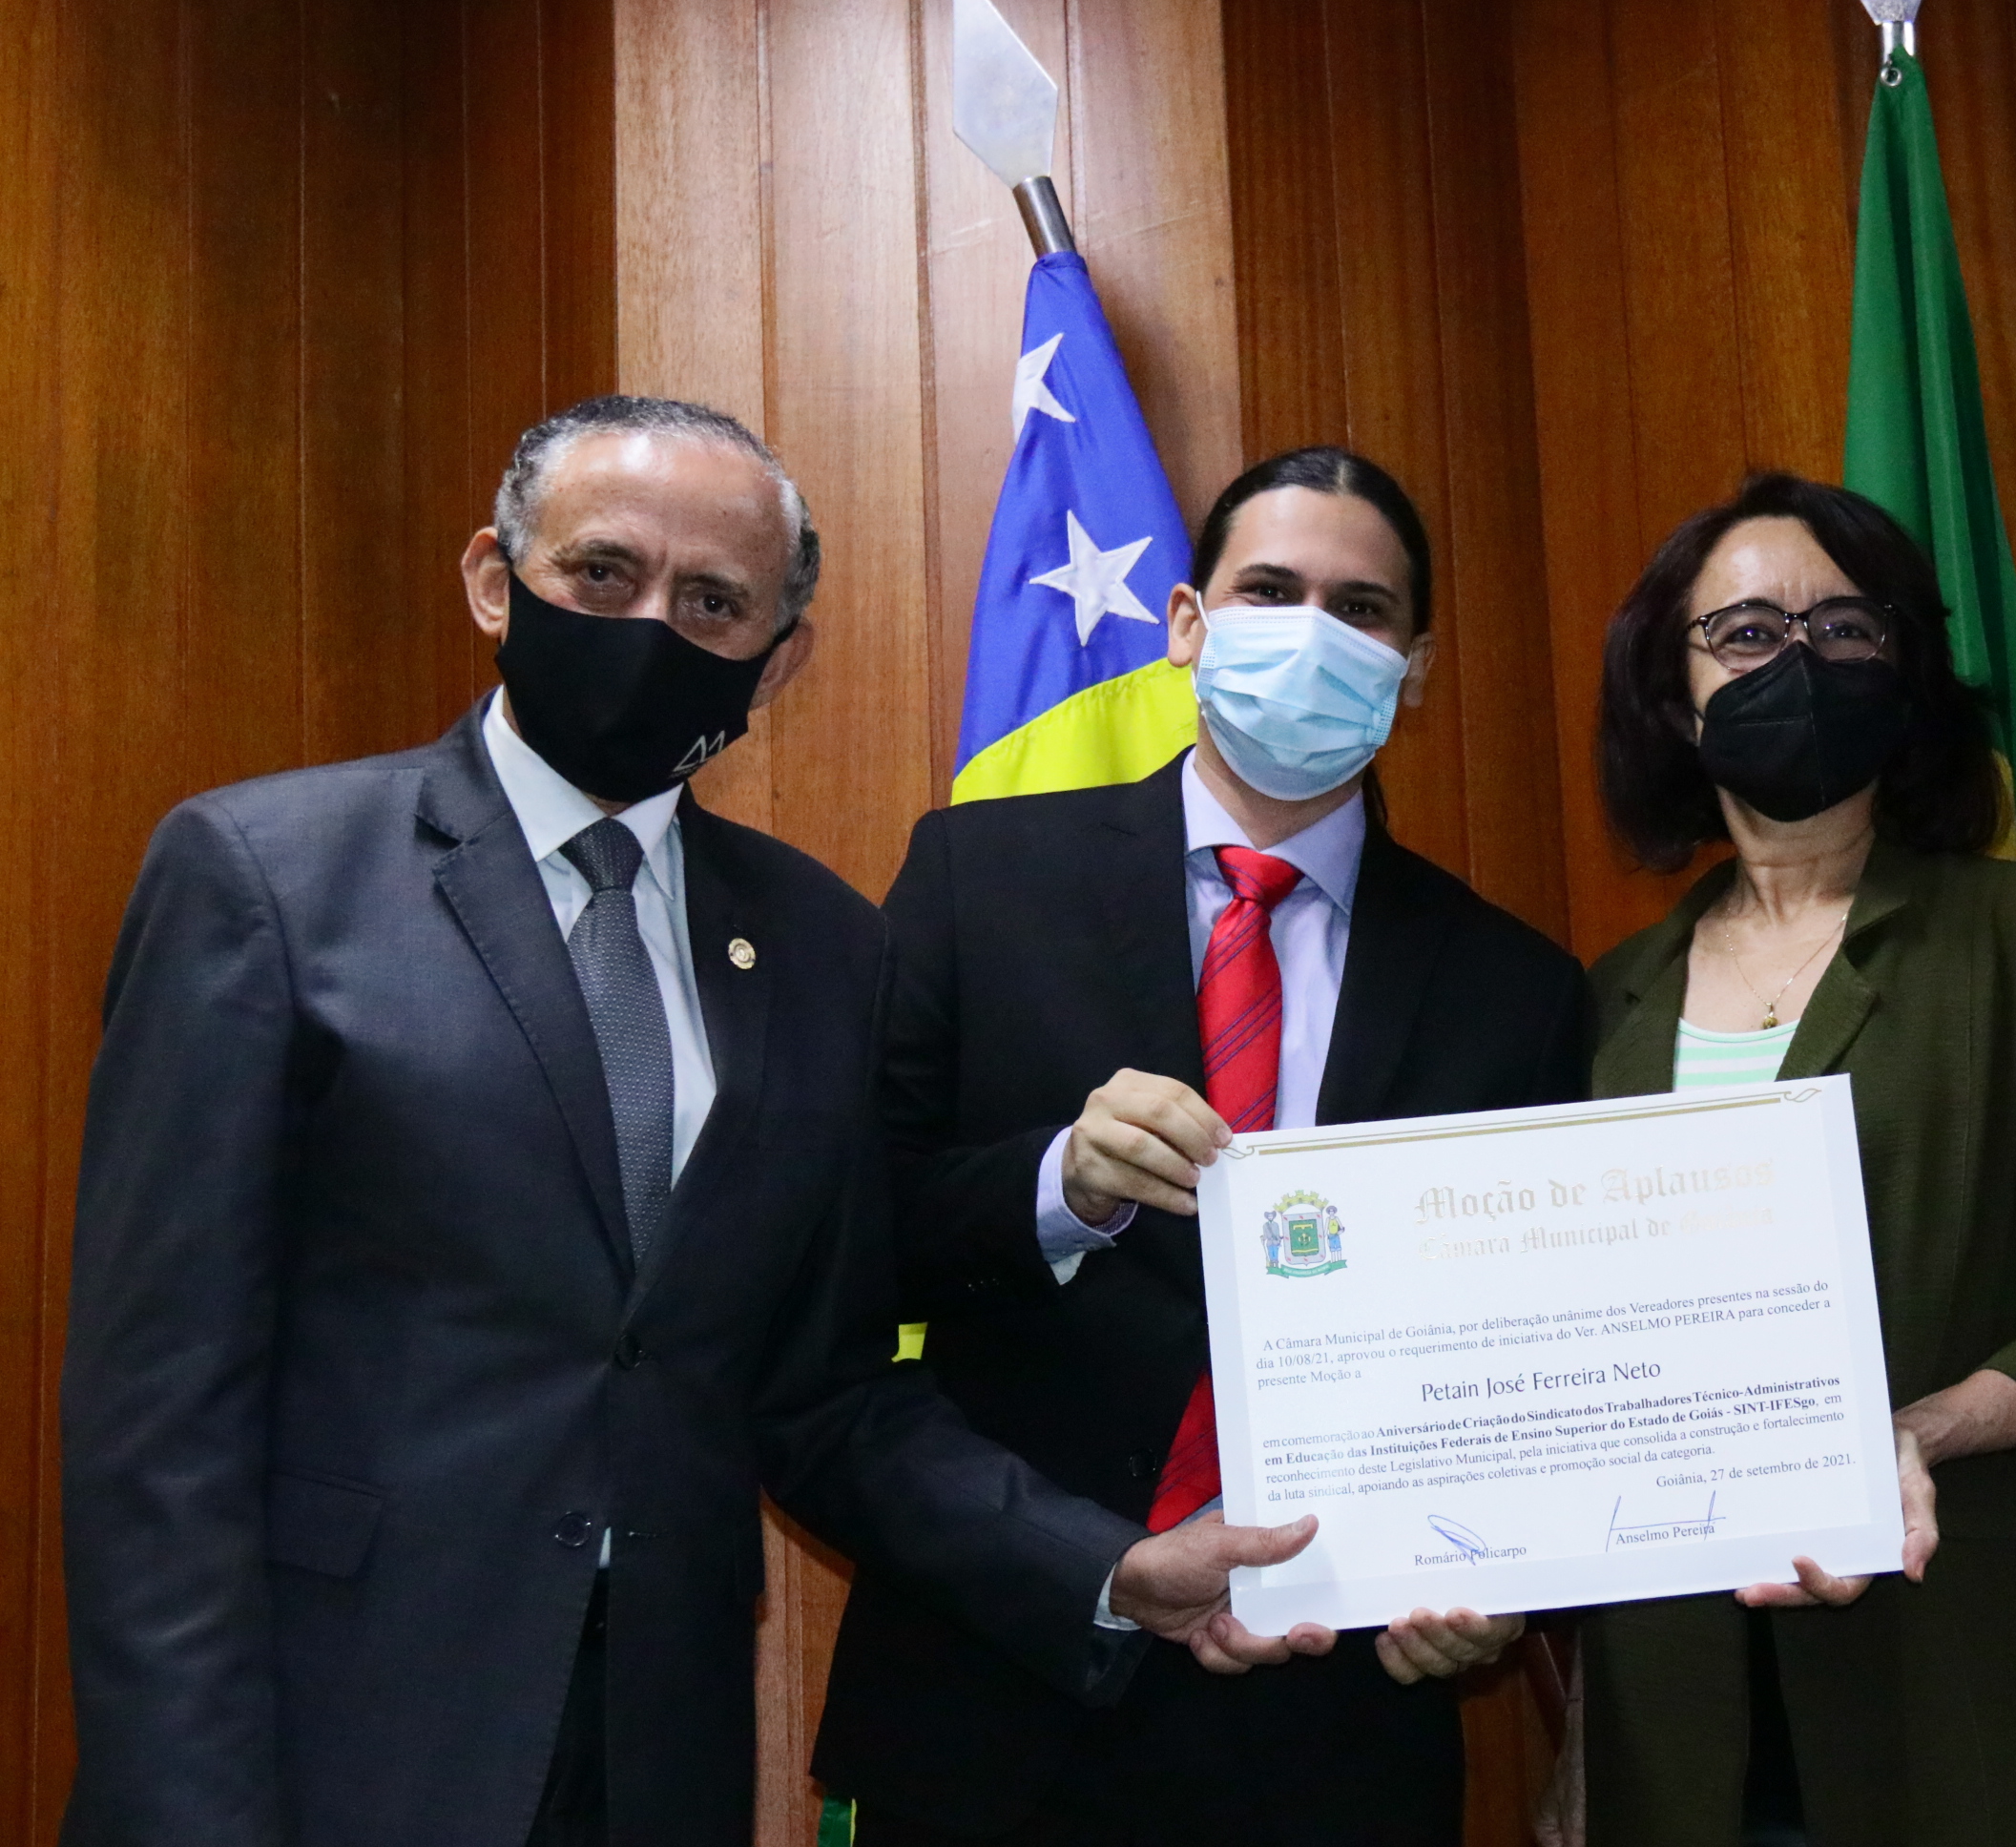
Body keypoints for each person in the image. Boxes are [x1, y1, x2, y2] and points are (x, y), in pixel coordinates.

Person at [58, 396, 1307, 1847]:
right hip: (326, 1736)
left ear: (780, 660)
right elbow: (159, 1417)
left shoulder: (824, 945)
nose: (652, 625)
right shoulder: (265, 878)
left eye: (713, 602)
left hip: (657, 1750)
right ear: (494, 581)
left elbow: (822, 1392)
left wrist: (1106, 1570)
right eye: (602, 573)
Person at [810, 446, 1592, 1845]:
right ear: (1186, 622)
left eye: (1361, 610)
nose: (1310, 634)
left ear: (1414, 668)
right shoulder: (977, 877)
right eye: (1270, 591)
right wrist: (1057, 1186)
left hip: (1334, 1726)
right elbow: (846, 1253)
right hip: (999, 1692)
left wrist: (1498, 1578)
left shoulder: (1515, 987)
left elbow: (1533, 1357)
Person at [1580, 471, 2016, 1846]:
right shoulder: (1610, 996)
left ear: (1905, 671)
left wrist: (1909, 1436)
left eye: (1846, 629)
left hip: (1977, 1655)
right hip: (1693, 1691)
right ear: (1674, 697)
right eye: (1747, 634)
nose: (1799, 662)